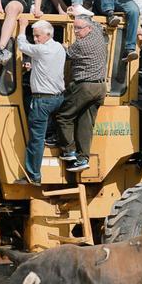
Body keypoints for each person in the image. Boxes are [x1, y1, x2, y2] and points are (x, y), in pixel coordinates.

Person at [15, 19, 67, 186]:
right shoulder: (58, 47)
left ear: (48, 34)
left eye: (37, 36)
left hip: (43, 100)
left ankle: (33, 175)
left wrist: (22, 27)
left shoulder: (42, 50)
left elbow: (22, 45)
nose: (35, 39)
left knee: (35, 139)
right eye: (34, 36)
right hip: (57, 98)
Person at [55, 15, 108, 173]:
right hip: (100, 88)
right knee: (86, 123)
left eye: (79, 28)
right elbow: (97, 23)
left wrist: (63, 47)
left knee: (64, 116)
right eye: (74, 27)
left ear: (88, 28)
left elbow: (66, 56)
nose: (76, 32)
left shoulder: (80, 45)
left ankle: (69, 151)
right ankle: (83, 159)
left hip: (84, 87)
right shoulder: (99, 35)